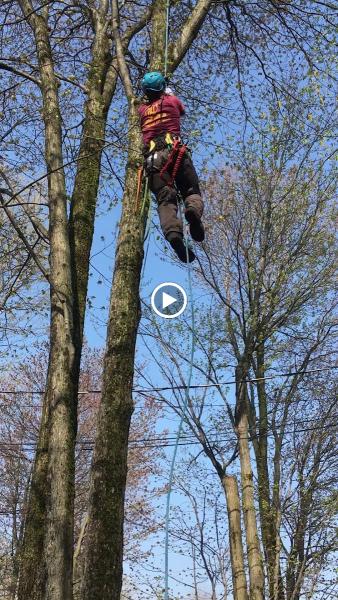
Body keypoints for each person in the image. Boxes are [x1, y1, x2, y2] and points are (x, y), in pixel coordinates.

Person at [138, 71, 205, 263]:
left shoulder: (142, 111)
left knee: (165, 200)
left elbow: (146, 107)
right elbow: (180, 110)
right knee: (190, 190)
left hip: (153, 160)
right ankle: (192, 210)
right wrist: (168, 93)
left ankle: (173, 233)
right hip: (174, 151)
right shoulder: (171, 101)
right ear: (162, 90)